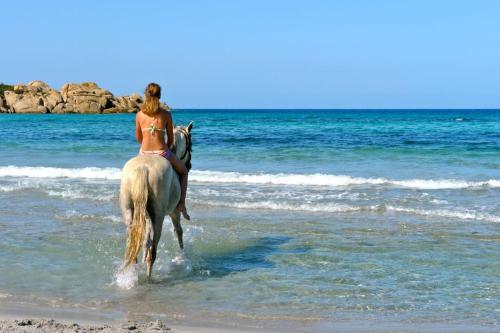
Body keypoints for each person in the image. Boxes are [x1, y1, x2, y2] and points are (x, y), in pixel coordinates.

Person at [135, 82, 190, 220]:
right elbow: (171, 140)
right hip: (161, 153)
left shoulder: (139, 115)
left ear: (146, 95)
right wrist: (164, 146)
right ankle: (181, 204)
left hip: (143, 153)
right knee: (183, 171)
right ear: (159, 96)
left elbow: (139, 138)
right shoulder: (165, 114)